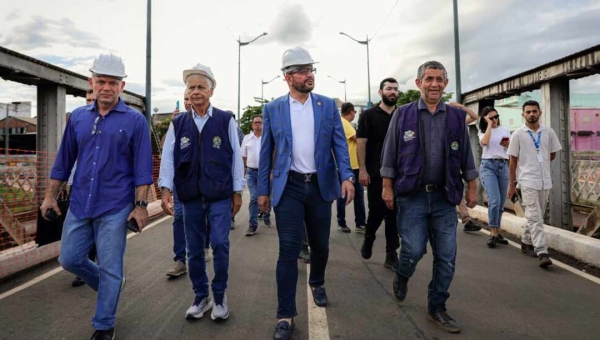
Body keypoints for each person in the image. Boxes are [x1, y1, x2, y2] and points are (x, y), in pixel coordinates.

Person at [40, 53, 153, 340]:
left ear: (122, 86)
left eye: (112, 82)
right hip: (79, 203)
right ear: (92, 82)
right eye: (100, 81)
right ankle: (111, 284)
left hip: (115, 206)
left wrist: (140, 206)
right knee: (69, 259)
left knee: (110, 265)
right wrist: (49, 197)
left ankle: (104, 325)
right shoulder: (78, 117)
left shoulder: (135, 121)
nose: (106, 87)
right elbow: (63, 162)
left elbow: (142, 169)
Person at [258, 46, 355, 340]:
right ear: (288, 78)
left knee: (321, 246)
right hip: (288, 186)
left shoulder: (326, 105)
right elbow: (266, 154)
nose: (308, 75)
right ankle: (285, 315)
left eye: (310, 69)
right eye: (302, 71)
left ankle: (317, 280)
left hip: (319, 186)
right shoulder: (273, 108)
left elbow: (339, 144)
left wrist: (347, 176)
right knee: (287, 251)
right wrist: (263, 190)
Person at [380, 61, 478, 334]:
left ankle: (437, 306)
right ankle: (402, 275)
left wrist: (471, 188)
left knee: (446, 257)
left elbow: (467, 155)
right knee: (412, 250)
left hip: (445, 197)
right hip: (412, 197)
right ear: (419, 83)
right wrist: (387, 186)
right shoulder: (403, 114)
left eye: (439, 79)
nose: (434, 84)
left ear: (445, 84)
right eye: (429, 79)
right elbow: (389, 152)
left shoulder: (456, 117)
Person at [158, 63, 244, 322]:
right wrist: (165, 189)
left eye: (201, 87)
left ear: (211, 90)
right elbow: (168, 159)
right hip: (190, 196)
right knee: (194, 250)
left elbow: (236, 159)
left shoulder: (225, 119)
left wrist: (237, 191)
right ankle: (201, 296)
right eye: (191, 87)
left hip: (219, 194)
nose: (195, 92)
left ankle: (219, 295)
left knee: (219, 244)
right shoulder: (178, 123)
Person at [507, 100, 562, 267]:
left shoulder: (549, 132)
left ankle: (525, 241)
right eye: (528, 112)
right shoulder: (517, 135)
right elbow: (512, 161)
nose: (531, 114)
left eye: (534, 111)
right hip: (527, 180)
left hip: (545, 181)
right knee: (536, 217)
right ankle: (542, 251)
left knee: (536, 216)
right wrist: (512, 184)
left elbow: (552, 155)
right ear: (523, 114)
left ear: (540, 112)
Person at [165, 90, 213, 270]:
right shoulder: (178, 123)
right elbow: (166, 151)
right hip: (182, 182)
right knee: (179, 217)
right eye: (185, 98)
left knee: (205, 216)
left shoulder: (210, 120)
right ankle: (180, 259)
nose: (188, 101)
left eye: (189, 98)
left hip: (206, 182)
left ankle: (205, 246)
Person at [357, 77, 400, 270]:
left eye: (395, 89)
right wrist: (363, 170)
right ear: (380, 92)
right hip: (375, 173)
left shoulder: (402, 114)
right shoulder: (368, 115)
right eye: (389, 89)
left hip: (399, 174)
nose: (393, 92)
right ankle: (369, 237)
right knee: (376, 211)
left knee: (394, 214)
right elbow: (361, 143)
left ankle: (391, 254)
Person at [71, 88, 98, 288]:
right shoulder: (78, 121)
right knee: (82, 230)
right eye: (87, 100)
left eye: (92, 100)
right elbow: (70, 156)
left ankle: (97, 268)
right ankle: (84, 265)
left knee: (98, 229)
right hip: (79, 188)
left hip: (102, 190)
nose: (89, 103)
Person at [478, 107, 511, 248]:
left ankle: (497, 231)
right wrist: (490, 126)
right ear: (485, 119)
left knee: (501, 202)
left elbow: (510, 150)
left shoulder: (505, 130)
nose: (495, 119)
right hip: (488, 166)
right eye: (491, 118)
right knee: (494, 200)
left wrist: (509, 145)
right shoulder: (482, 132)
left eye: (496, 116)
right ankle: (492, 232)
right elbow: (484, 143)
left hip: (503, 165)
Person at [447, 102, 482, 233]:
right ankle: (466, 218)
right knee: (457, 187)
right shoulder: (449, 125)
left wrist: (461, 107)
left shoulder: (461, 123)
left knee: (459, 186)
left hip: (464, 159)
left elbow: (475, 117)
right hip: (453, 160)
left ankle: (466, 218)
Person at [336, 102, 366, 233]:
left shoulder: (343, 122)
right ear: (352, 112)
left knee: (358, 195)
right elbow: (357, 138)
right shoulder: (344, 123)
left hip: (354, 165)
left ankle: (360, 223)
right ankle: (342, 222)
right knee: (344, 194)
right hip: (348, 166)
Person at [241, 114, 273, 236]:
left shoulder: (268, 138)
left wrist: (271, 171)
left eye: (260, 122)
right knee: (254, 197)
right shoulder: (247, 139)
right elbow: (243, 156)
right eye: (255, 122)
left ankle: (266, 216)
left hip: (265, 173)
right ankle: (252, 225)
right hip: (251, 172)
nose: (258, 124)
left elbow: (272, 155)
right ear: (252, 124)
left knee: (266, 197)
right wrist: (245, 169)